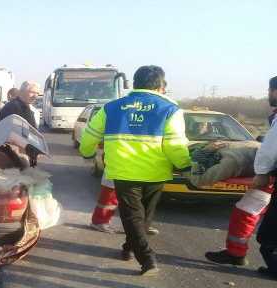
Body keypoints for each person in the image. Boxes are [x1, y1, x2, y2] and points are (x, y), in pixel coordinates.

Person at [79, 65, 191, 276]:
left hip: (124, 171)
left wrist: (86, 153)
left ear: (135, 83)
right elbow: (175, 145)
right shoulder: (170, 109)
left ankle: (129, 247)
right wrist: (185, 165)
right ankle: (147, 259)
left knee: (134, 217)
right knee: (143, 216)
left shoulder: (111, 107)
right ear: (160, 85)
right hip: (156, 173)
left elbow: (90, 134)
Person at [205, 76, 277, 269]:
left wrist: (261, 173)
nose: (269, 94)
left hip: (269, 177)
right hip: (271, 177)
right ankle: (238, 253)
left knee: (250, 214)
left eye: (270, 90)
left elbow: (269, 149)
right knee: (246, 209)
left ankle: (237, 254)